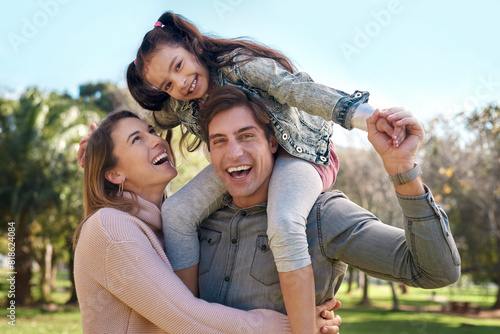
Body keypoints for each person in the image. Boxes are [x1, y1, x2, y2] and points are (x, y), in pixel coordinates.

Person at [81, 11, 406, 333]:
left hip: (298, 155)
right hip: (243, 162)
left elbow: (297, 90)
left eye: (178, 66)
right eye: (168, 84)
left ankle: (304, 327)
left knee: (284, 222)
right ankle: (193, 314)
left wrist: (364, 117)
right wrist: (100, 146)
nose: (180, 83)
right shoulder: (181, 102)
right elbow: (146, 123)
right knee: (177, 211)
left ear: (191, 45)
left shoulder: (240, 66)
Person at [193, 86, 461, 314]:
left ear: (273, 143)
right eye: (219, 141)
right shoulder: (196, 220)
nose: (234, 153)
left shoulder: (322, 217)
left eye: (246, 136)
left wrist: (403, 171)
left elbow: (436, 271)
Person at [72, 110, 342, 334]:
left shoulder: (168, 227)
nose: (156, 141)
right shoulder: (109, 228)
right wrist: (296, 325)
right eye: (136, 140)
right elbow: (185, 316)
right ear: (115, 173)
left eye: (151, 132)